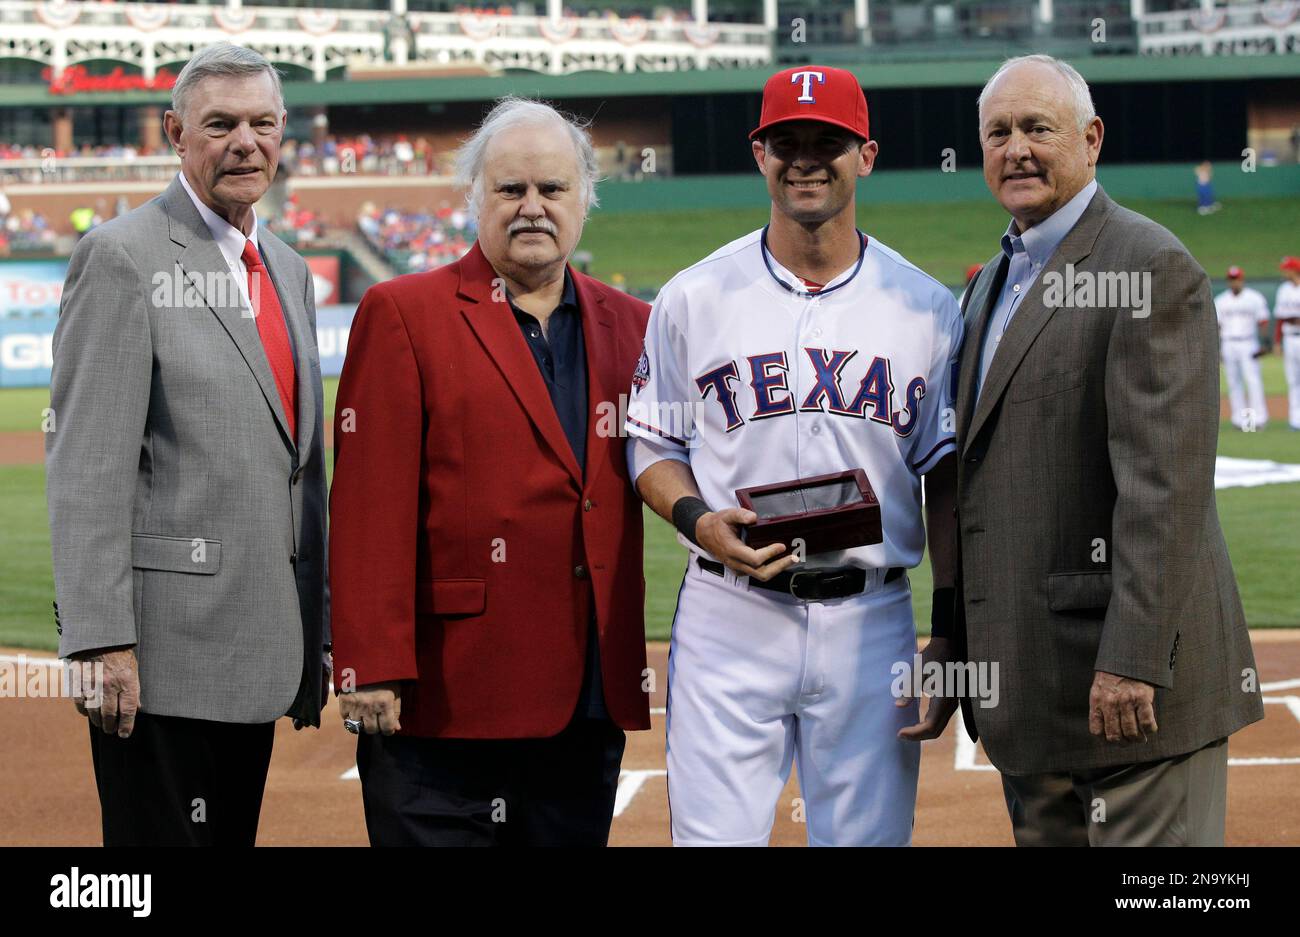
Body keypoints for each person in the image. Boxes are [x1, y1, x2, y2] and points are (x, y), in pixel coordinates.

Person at [626, 65, 960, 846]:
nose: (805, 159)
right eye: (787, 142)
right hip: (729, 613)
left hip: (871, 615)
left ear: (866, 155)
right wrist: (699, 519)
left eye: (828, 142)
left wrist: (948, 628)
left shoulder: (925, 307)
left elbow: (944, 477)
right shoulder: (694, 295)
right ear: (760, 156)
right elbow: (650, 440)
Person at [946, 54, 1263, 846]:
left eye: (1037, 128)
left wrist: (1132, 658)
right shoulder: (991, 283)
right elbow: (978, 483)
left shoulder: (1147, 263)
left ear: (1090, 140)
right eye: (998, 132)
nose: (1015, 148)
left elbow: (1165, 487)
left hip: (1131, 697)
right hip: (1033, 696)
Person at [329, 97, 652, 847]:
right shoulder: (403, 311)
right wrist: (370, 662)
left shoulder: (633, 324)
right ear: (474, 197)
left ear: (584, 201)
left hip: (586, 701)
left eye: (552, 190)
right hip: (446, 706)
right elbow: (368, 503)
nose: (532, 207)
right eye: (510, 190)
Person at [46, 42, 329, 846]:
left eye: (263, 123)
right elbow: (88, 464)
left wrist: (323, 624)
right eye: (221, 124)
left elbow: (297, 465)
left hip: (260, 645)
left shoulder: (288, 268)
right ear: (176, 132)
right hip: (163, 661)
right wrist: (101, 639)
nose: (247, 141)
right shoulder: (122, 257)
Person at [1215, 265, 1271, 431]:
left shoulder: (1254, 298)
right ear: (1228, 281)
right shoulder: (1221, 300)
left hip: (1248, 342)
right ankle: (1239, 420)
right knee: (1233, 382)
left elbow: (1263, 321)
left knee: (1252, 381)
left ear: (1242, 279)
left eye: (1237, 279)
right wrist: (1218, 349)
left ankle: (1257, 420)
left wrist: (1264, 343)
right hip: (1228, 343)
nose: (1234, 283)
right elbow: (1217, 326)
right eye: (1231, 279)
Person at [1274, 256, 1300, 431]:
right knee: (1292, 380)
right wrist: (1277, 342)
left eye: (1286, 268)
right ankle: (1295, 420)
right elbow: (1281, 318)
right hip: (1289, 338)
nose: (1284, 272)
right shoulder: (1283, 289)